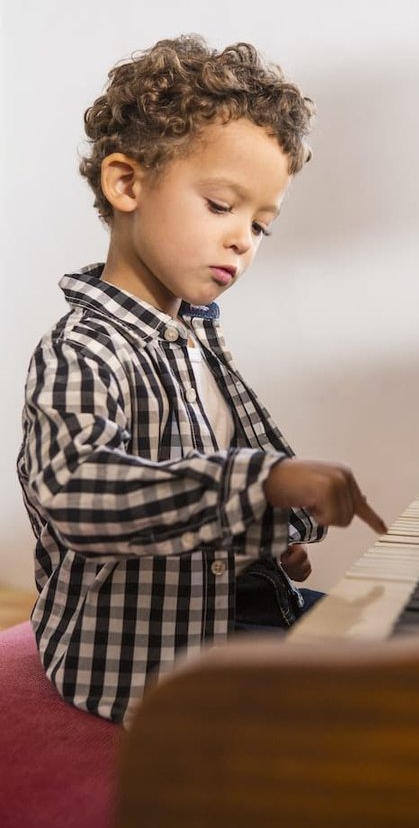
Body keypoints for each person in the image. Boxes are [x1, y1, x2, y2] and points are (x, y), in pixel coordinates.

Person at [17, 35, 386, 725]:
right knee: (354, 727)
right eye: (222, 206)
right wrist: (264, 483)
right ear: (127, 184)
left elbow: (237, 463)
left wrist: (275, 531)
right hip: (144, 659)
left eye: (261, 226)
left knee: (404, 653)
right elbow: (78, 494)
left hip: (239, 606)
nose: (244, 239)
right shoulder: (81, 349)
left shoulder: (199, 337)